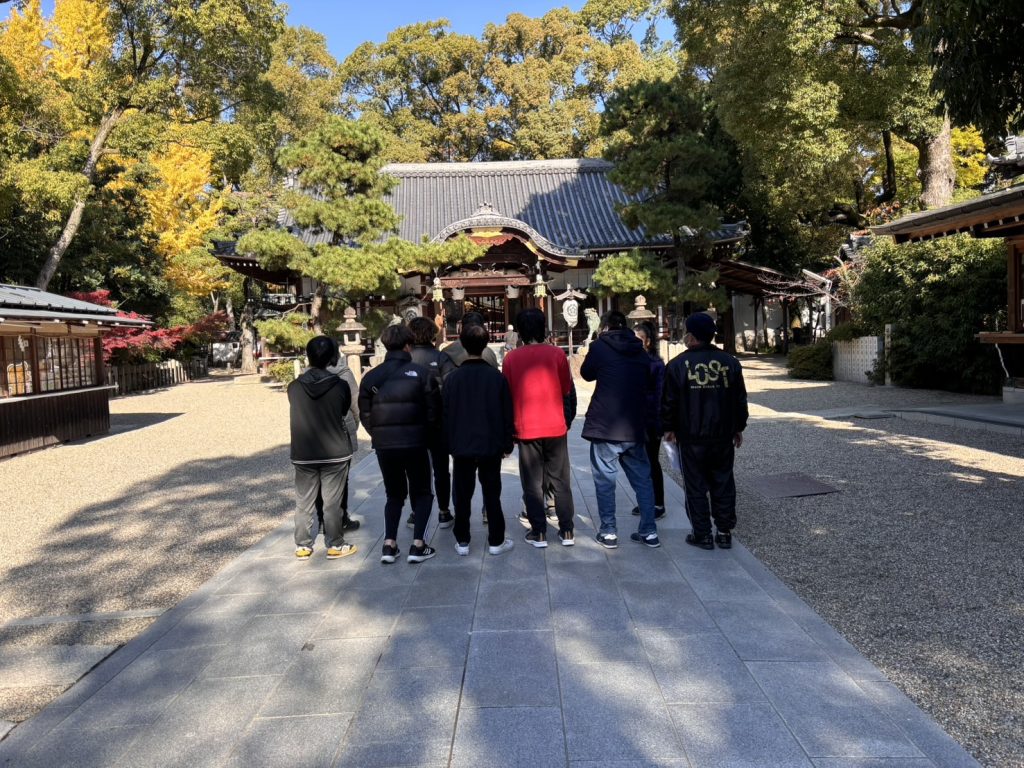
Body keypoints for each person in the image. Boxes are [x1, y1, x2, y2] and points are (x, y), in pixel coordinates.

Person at [662, 312, 748, 550]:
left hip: (691, 436)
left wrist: (668, 427)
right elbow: (740, 399)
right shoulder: (730, 362)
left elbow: (669, 401)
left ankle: (702, 533)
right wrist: (738, 427)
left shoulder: (677, 365)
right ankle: (724, 530)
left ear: (691, 335)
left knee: (695, 485)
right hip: (722, 435)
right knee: (723, 481)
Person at [359, 323, 440, 564]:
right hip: (415, 442)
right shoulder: (421, 374)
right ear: (408, 345)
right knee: (423, 491)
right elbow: (433, 411)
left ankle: (389, 544)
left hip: (385, 444)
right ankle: (418, 544)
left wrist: (377, 433)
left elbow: (365, 412)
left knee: (393, 494)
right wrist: (426, 433)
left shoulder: (372, 377)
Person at [580, 310, 659, 549]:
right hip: (634, 424)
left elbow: (586, 374)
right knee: (643, 479)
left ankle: (609, 532)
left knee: (605, 480)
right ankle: (649, 531)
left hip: (605, 424)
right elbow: (648, 379)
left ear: (604, 326)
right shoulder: (639, 349)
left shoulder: (599, 346)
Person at [502, 308, 576, 547]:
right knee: (561, 480)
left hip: (526, 426)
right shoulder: (557, 355)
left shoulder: (511, 358)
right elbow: (566, 389)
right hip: (555, 425)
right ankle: (567, 530)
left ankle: (539, 531)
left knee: (532, 482)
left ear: (520, 331)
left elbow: (507, 394)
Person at [443, 323, 515, 556]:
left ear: (462, 345)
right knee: (492, 493)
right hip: (490, 443)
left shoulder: (452, 379)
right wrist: (507, 443)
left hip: (461, 444)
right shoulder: (496, 377)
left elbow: (446, 415)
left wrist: (448, 442)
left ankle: (462, 540)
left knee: (462, 494)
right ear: (486, 345)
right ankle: (496, 540)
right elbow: (506, 413)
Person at [288, 335, 358, 560]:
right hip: (334, 450)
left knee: (304, 501)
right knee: (332, 502)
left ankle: (302, 545)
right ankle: (335, 543)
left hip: (304, 451)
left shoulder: (294, 387)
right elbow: (343, 410)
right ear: (332, 357)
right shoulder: (340, 385)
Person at [407, 317, 455, 529]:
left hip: (411, 421)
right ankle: (444, 511)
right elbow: (452, 387)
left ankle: (416, 511)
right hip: (439, 422)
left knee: (415, 469)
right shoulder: (441, 357)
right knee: (441, 469)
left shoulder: (405, 359)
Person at [631, 322, 666, 520]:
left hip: (651, 420)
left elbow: (661, 394)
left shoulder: (656, 364)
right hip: (635, 419)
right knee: (639, 462)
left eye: (640, 340)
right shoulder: (631, 361)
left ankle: (658, 502)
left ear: (648, 342)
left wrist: (661, 423)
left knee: (652, 461)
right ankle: (645, 500)